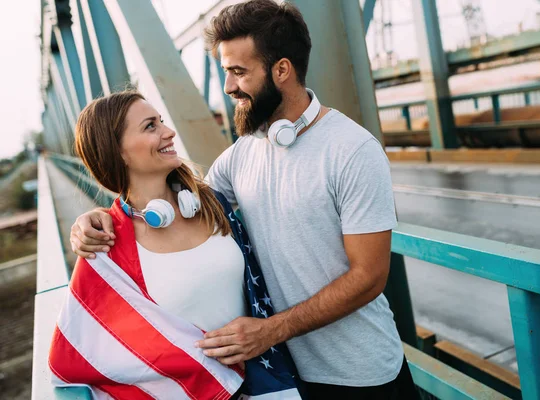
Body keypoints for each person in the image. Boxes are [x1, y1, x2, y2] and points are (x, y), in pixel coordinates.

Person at [70, 0, 419, 398]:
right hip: (285, 377)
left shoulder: (352, 150)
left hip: (361, 374)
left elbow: (369, 277)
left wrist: (270, 330)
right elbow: (177, 201)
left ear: (281, 70)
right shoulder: (242, 155)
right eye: (225, 72)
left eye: (239, 72)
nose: (227, 87)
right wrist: (95, 218)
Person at [49, 91, 302, 399]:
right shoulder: (107, 245)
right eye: (150, 126)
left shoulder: (212, 202)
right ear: (118, 152)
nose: (168, 132)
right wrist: (92, 219)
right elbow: (77, 355)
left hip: (264, 383)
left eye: (162, 121)